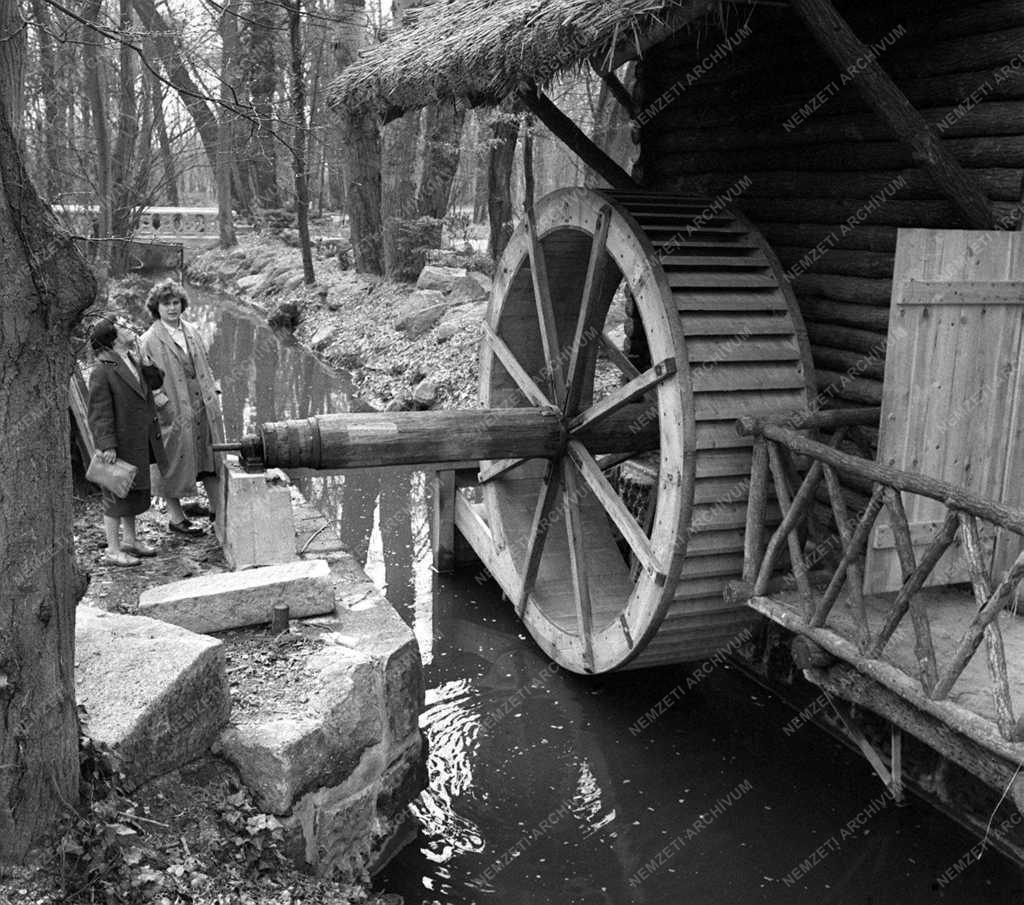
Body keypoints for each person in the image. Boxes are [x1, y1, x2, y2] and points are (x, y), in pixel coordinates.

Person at [140, 280, 225, 536]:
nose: (172, 308)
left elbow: (206, 364)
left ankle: (218, 510)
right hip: (173, 411)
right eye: (166, 304)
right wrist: (163, 404)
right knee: (172, 462)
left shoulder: (192, 330)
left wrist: (214, 391)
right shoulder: (148, 340)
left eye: (176, 302)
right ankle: (177, 519)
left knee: (210, 455)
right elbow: (145, 381)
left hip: (202, 406)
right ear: (156, 308)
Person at [87, 314, 168, 566]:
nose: (129, 327)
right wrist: (106, 445)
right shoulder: (103, 369)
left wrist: (146, 362)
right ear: (112, 338)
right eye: (122, 325)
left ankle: (130, 541)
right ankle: (113, 550)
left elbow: (156, 382)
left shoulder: (133, 358)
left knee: (132, 492)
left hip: (139, 439)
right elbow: (99, 412)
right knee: (115, 496)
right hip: (120, 444)